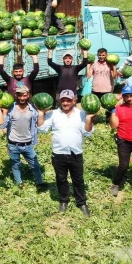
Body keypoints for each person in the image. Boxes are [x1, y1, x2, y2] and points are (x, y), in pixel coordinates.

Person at [37, 89, 96, 217]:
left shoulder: (82, 114)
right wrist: (41, 113)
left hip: (76, 153)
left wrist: (89, 119)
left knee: (78, 179)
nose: (65, 102)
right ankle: (64, 200)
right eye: (63, 100)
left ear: (74, 100)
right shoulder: (53, 114)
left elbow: (88, 132)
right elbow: (42, 129)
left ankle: (81, 203)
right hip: (58, 153)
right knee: (61, 179)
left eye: (68, 100)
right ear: (60, 100)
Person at [0, 85, 48, 191]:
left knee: (35, 164)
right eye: (20, 95)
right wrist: (4, 112)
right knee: (15, 165)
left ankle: (40, 183)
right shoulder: (10, 108)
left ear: (28, 95)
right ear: (16, 95)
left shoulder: (33, 109)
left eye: (24, 95)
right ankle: (19, 183)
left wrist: (44, 111)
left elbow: (42, 122)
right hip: (13, 144)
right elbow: (2, 126)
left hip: (28, 144)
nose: (22, 98)